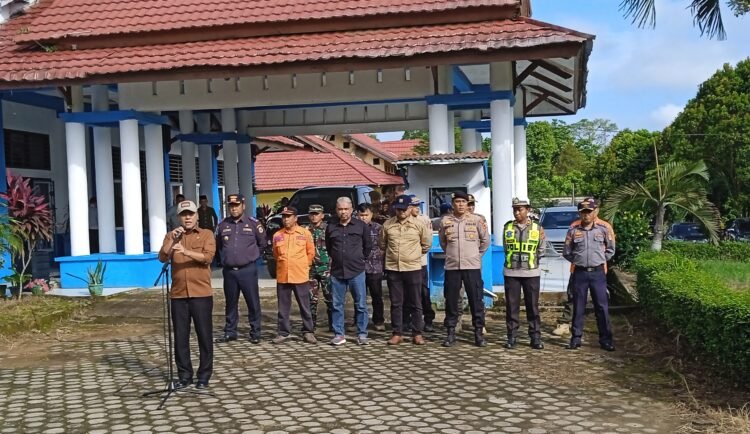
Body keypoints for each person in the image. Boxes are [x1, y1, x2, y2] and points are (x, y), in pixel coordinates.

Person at [158, 200, 216, 390]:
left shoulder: (206, 234)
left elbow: (207, 257)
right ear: (179, 218)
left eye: (191, 214)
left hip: (201, 294)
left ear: (197, 216)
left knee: (204, 335)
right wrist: (173, 241)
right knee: (180, 337)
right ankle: (184, 375)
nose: (188, 218)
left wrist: (185, 251)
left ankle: (204, 375)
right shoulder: (172, 235)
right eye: (184, 215)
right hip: (178, 294)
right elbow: (162, 257)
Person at [553, 198, 615, 336]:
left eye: (590, 211)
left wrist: (597, 261)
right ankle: (570, 330)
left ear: (596, 211)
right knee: (574, 301)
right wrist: (579, 261)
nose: (586, 214)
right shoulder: (574, 227)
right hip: (578, 271)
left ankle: (605, 337)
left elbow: (610, 250)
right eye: (583, 211)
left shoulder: (605, 227)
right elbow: (567, 251)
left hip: (598, 271)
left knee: (601, 305)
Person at [439, 191, 490, 347]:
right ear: (453, 204)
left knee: (476, 300)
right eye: (457, 201)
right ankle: (451, 333)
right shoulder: (445, 221)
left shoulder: (477, 220)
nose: (460, 204)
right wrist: (452, 255)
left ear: (468, 204)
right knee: (451, 300)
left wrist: (475, 255)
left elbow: (485, 241)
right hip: (452, 267)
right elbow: (443, 242)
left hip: (472, 266)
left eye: (463, 202)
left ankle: (478, 333)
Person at [214, 194, 266, 344]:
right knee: (230, 303)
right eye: (231, 206)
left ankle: (255, 332)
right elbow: (218, 246)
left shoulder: (253, 223)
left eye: (236, 205)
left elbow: (262, 243)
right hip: (229, 271)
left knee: (252, 302)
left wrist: (252, 256)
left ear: (243, 206)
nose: (234, 208)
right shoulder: (222, 225)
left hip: (247, 270)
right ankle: (230, 332)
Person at [381, 195, 432, 345]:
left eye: (404, 209)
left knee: (416, 302)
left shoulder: (419, 224)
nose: (401, 212)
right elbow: (382, 244)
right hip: (393, 268)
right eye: (398, 209)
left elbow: (426, 244)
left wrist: (412, 256)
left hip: (413, 268)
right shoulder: (388, 225)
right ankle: (397, 333)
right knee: (396, 302)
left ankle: (417, 333)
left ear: (410, 208)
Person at [325, 197, 372, 346]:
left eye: (346, 209)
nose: (343, 212)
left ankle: (362, 334)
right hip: (337, 272)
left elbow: (368, 246)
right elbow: (329, 247)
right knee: (336, 304)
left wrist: (359, 258)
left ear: (351, 210)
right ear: (336, 210)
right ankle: (339, 334)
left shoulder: (361, 226)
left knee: (361, 305)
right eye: (340, 209)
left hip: (356, 271)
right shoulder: (331, 227)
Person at [502, 198, 546, 350]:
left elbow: (541, 249)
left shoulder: (537, 228)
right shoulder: (507, 227)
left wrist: (532, 262)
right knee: (511, 307)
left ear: (528, 210)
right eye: (515, 209)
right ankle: (512, 336)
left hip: (531, 273)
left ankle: (535, 337)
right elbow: (506, 247)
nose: (517, 212)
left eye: (520, 209)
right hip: (511, 272)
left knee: (532, 307)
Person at [272, 206, 317, 344]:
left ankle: (308, 331)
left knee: (305, 305)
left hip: (300, 275)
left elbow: (311, 252)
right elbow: (275, 254)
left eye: (288, 216)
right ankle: (283, 332)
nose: (285, 219)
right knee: (283, 307)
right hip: (283, 276)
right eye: (284, 216)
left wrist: (304, 265)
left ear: (295, 218)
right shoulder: (277, 235)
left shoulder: (305, 233)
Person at [405, 195, 436, 332]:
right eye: (413, 206)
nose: (416, 208)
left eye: (418, 205)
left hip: (420, 262)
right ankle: (406, 320)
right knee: (406, 293)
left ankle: (428, 319)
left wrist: (416, 253)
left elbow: (427, 241)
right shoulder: (401, 219)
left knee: (423, 292)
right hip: (405, 264)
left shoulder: (424, 220)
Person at [304, 204, 333, 331]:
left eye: (317, 214)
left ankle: (334, 325)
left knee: (331, 298)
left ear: (322, 215)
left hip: (327, 268)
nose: (314, 216)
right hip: (310, 269)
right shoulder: (304, 230)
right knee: (311, 299)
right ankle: (310, 326)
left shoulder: (329, 229)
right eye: (312, 214)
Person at [358, 203, 385, 331]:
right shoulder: (354, 227)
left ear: (371, 215)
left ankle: (379, 320)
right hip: (358, 267)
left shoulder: (378, 228)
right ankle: (358, 321)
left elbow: (384, 246)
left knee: (377, 296)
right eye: (361, 215)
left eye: (366, 215)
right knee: (359, 297)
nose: (363, 217)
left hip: (375, 267)